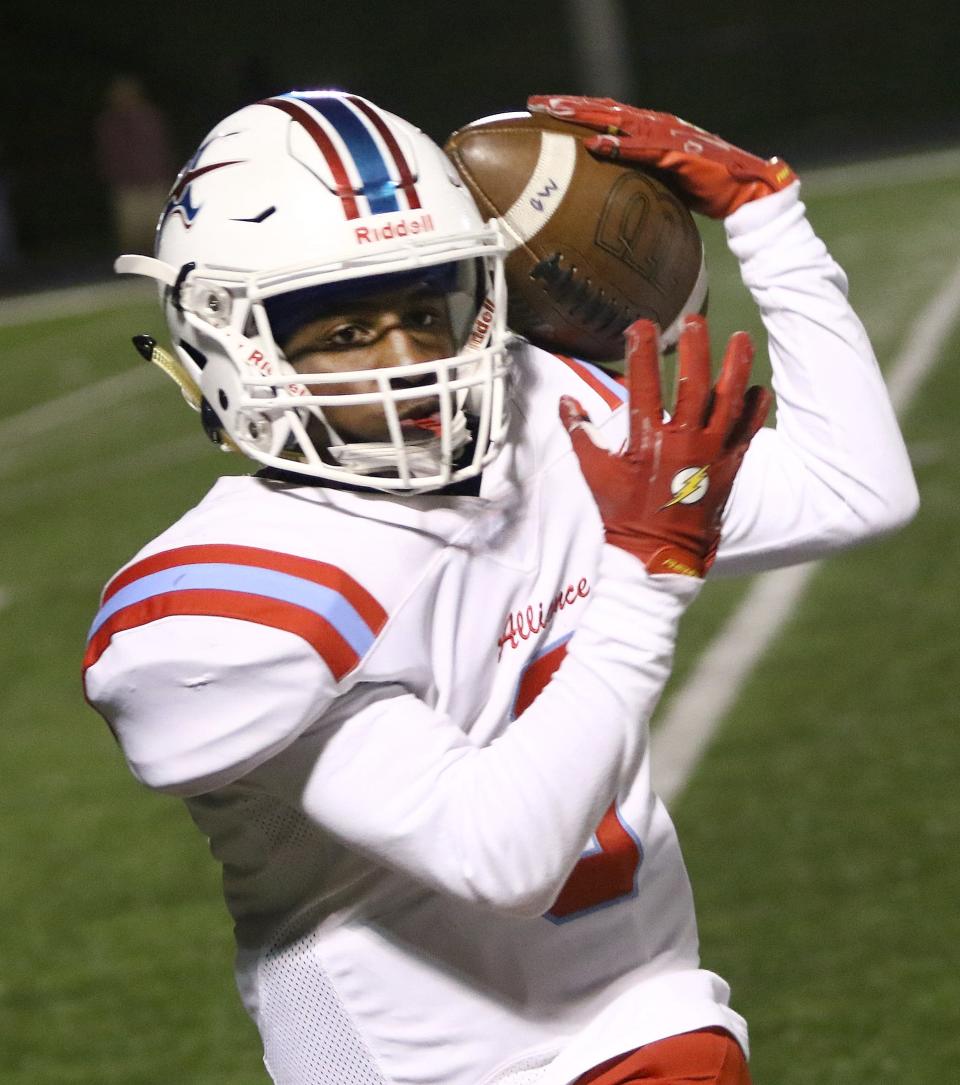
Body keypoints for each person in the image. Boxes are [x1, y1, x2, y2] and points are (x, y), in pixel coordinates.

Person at [83, 90, 917, 1085]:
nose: (410, 364)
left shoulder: (541, 405)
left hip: (643, 1019)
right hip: (413, 1060)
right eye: (346, 332)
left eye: (426, 308)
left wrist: (764, 215)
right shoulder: (221, 604)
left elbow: (854, 488)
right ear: (230, 342)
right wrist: (647, 572)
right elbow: (500, 851)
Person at [95, 75, 175, 253]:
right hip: (126, 185)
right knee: (132, 231)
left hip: (155, 181)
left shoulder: (149, 117)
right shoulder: (108, 122)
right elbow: (108, 154)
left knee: (159, 227)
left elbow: (161, 147)